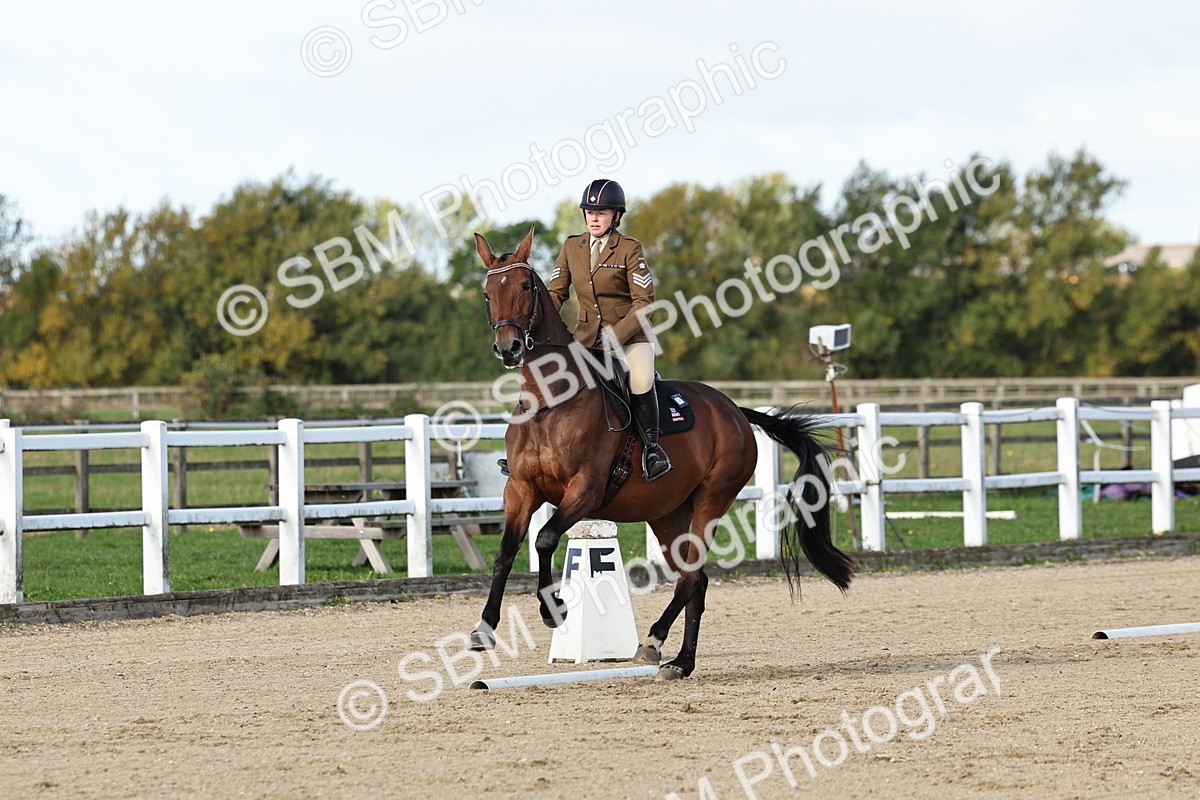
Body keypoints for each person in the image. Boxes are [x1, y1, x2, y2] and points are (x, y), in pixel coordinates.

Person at [546, 178, 672, 482]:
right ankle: (534, 450)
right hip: (586, 336)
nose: (593, 218)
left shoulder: (629, 248)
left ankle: (652, 451)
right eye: (589, 212)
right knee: (550, 378)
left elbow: (645, 301)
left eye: (601, 212)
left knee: (641, 381)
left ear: (616, 216)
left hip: (630, 337)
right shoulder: (571, 247)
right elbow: (555, 293)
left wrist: (617, 337)